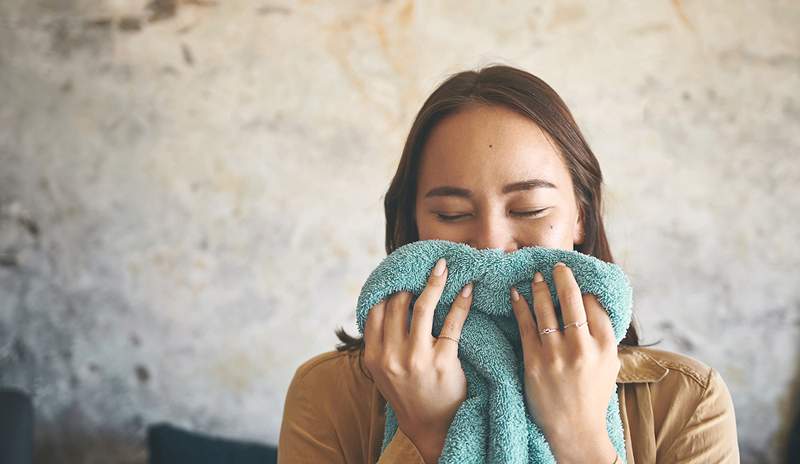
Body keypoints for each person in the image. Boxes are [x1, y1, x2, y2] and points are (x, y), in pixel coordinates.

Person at [277, 64, 740, 463]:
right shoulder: (328, 394)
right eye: (452, 215)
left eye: (529, 209)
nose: (490, 245)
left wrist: (580, 438)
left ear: (580, 216)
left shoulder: (688, 399)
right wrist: (426, 436)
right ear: (413, 225)